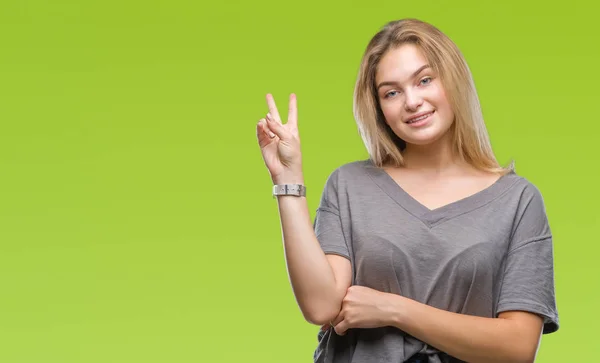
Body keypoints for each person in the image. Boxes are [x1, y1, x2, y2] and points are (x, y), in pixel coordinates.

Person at [255, 18, 559, 363]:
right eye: (392, 92)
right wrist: (287, 181)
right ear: (379, 108)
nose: (412, 102)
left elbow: (518, 348)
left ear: (453, 80)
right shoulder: (349, 186)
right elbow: (321, 305)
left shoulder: (518, 201)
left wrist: (394, 309)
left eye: (425, 80)